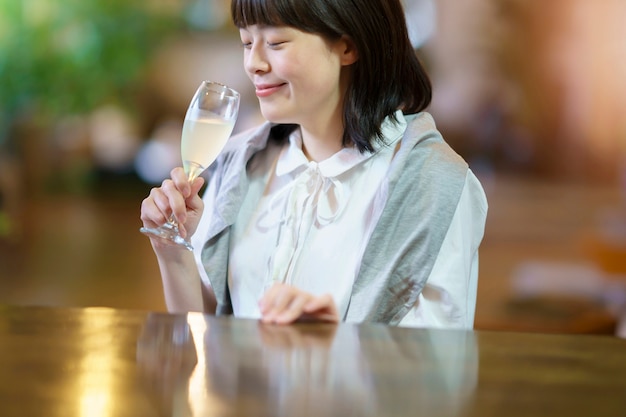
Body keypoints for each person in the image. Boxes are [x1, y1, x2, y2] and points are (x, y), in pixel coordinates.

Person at [140, 0, 488, 329]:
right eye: (247, 42)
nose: (253, 63)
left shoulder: (434, 182)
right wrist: (172, 249)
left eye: (275, 43)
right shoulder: (239, 165)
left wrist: (332, 347)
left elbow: (439, 365)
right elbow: (205, 331)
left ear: (348, 46)